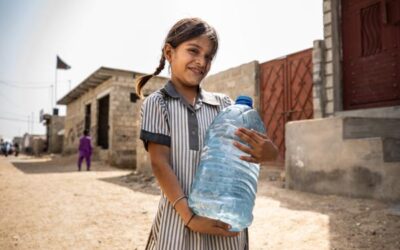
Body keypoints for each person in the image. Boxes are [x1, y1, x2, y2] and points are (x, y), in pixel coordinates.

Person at [137, 17, 278, 250]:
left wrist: (269, 153)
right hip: (179, 223)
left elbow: (247, 156)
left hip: (224, 224)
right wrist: (191, 218)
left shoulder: (225, 106)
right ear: (169, 53)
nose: (201, 61)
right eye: (193, 51)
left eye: (208, 57)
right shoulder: (158, 103)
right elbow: (159, 163)